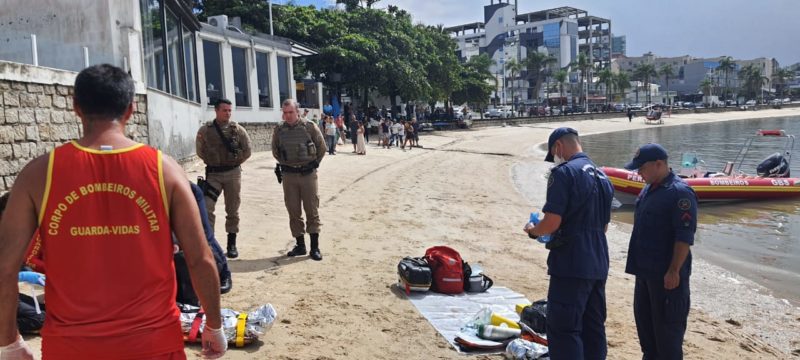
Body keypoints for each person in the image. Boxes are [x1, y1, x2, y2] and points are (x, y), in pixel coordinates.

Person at [0, 64, 225, 359]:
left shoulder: (38, 174)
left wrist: (8, 342)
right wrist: (214, 326)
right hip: (153, 344)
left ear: (76, 107)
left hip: (71, 347)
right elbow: (200, 257)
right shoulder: (164, 169)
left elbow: (5, 267)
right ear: (130, 109)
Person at [523, 127, 614, 360]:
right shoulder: (603, 176)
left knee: (564, 328)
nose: (555, 159)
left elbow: (552, 222)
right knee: (593, 327)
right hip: (598, 261)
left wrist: (534, 232)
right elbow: (604, 226)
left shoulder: (563, 173)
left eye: (554, 154)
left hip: (572, 261)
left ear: (558, 147)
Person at [623, 144, 697, 360]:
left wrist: (674, 270)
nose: (639, 173)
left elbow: (684, 237)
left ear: (659, 164)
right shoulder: (648, 190)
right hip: (645, 275)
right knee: (647, 338)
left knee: (668, 342)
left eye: (642, 168)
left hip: (667, 280)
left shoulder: (680, 193)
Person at [195, 98, 252, 259]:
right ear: (216, 110)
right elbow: (200, 151)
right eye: (224, 110)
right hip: (213, 175)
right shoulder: (205, 130)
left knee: (232, 209)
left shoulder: (237, 130)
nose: (227, 113)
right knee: (207, 208)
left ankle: (231, 243)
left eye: (229, 110)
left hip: (233, 174)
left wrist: (235, 162)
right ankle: (209, 243)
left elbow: (247, 150)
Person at [272, 99, 327, 261]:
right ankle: (300, 245)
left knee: (312, 209)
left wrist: (313, 164)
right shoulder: (279, 129)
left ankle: (315, 247)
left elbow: (321, 147)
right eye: (285, 112)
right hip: (289, 176)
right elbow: (275, 150)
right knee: (293, 211)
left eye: (290, 112)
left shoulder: (309, 127)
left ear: (297, 112)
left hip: (307, 175)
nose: (287, 115)